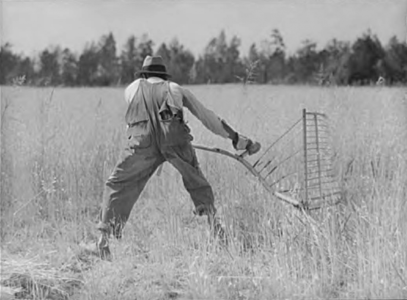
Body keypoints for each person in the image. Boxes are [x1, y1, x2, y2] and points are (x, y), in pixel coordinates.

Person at [96, 56, 260, 260]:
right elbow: (207, 117)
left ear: (144, 74)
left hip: (141, 141)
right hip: (175, 139)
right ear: (163, 75)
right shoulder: (175, 89)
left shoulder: (132, 88)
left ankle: (104, 239)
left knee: (118, 184)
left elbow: (133, 122)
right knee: (197, 182)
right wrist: (235, 137)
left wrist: (143, 146)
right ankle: (216, 231)